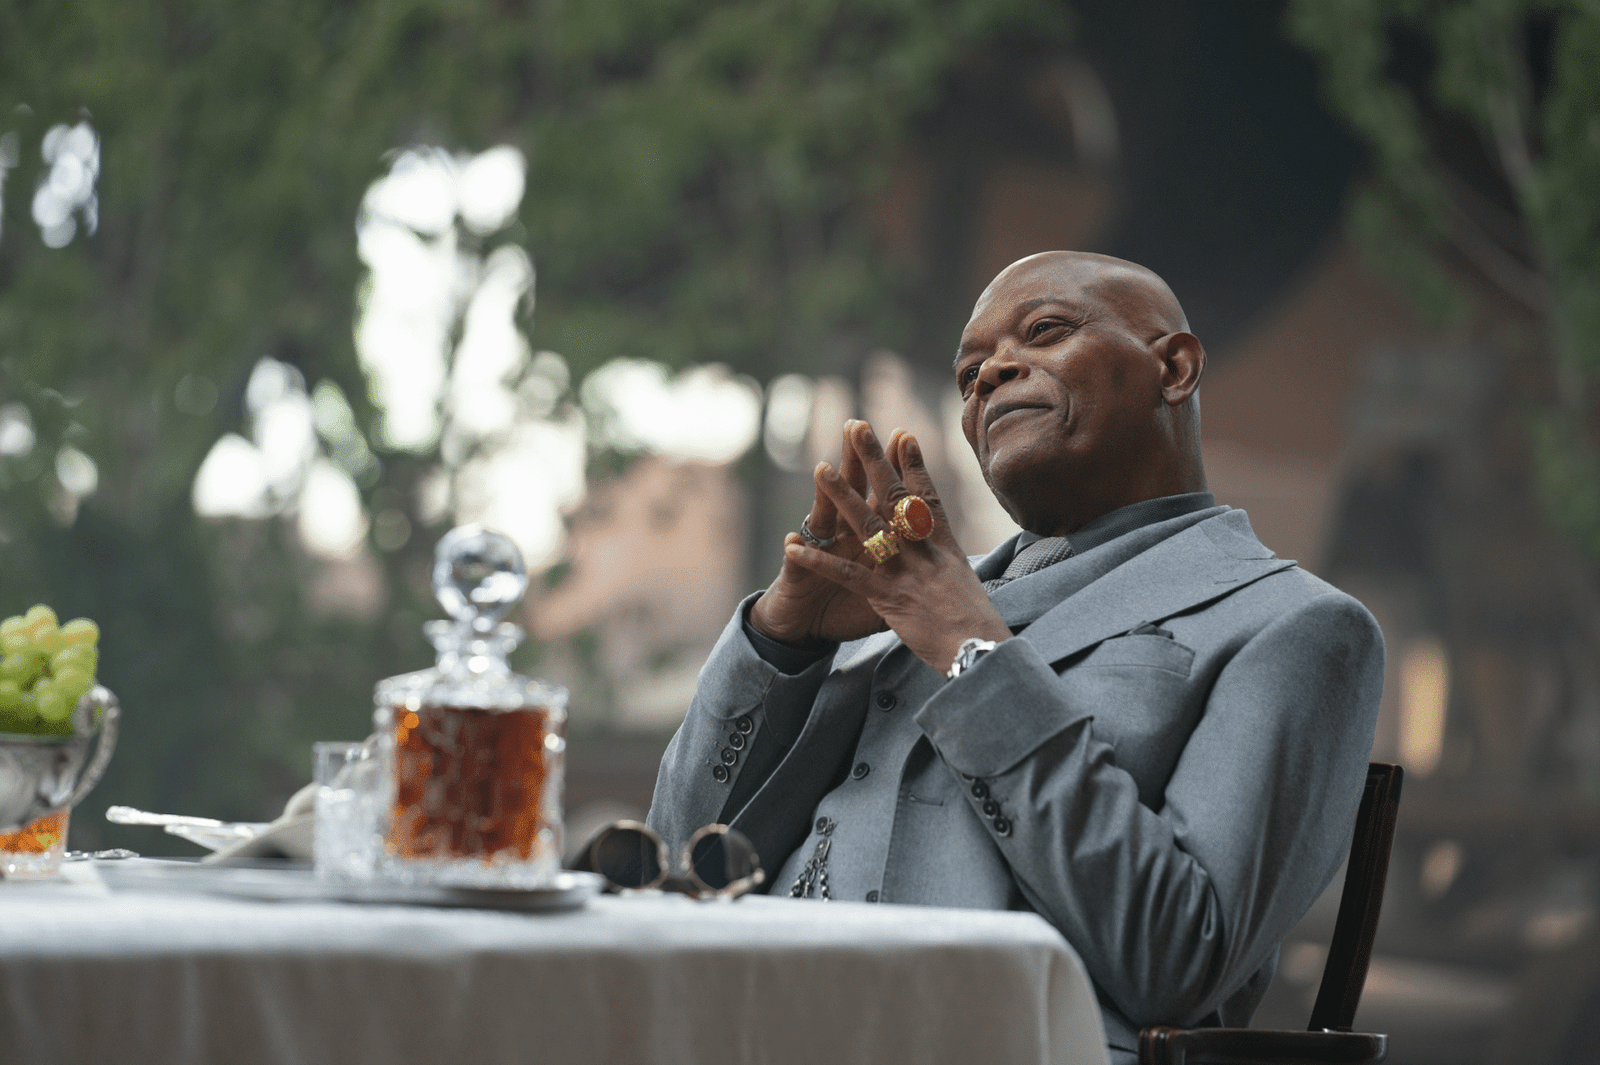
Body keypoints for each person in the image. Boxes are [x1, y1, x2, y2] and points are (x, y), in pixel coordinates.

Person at [646, 251, 1384, 1062]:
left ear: (1173, 368)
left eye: (1046, 330)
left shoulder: (1296, 626)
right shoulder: (903, 601)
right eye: (969, 374)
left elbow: (1176, 957)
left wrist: (970, 650)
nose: (991, 374)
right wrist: (779, 643)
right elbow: (669, 877)